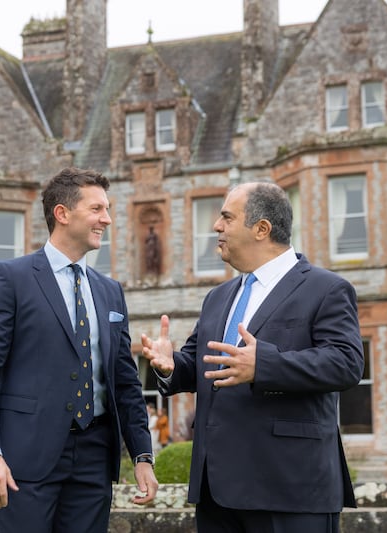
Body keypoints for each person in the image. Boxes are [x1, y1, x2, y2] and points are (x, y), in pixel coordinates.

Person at [141, 182, 363, 532]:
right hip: (217, 492)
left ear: (262, 229)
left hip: (289, 488)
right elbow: (203, 364)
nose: (217, 226)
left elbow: (346, 363)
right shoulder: (218, 296)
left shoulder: (327, 289)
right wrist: (172, 366)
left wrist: (265, 365)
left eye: (227, 217)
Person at [0, 167, 158, 533]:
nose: (108, 219)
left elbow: (125, 382)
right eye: (97, 209)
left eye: (108, 209)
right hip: (25, 460)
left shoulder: (110, 290)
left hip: (95, 459)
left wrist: (142, 456)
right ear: (62, 213)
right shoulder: (10, 278)